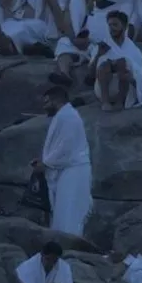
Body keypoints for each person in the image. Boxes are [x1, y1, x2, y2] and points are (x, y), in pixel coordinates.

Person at [33, 86, 92, 236]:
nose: (44, 107)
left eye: (47, 102)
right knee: (62, 210)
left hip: (75, 170)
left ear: (56, 100)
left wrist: (46, 163)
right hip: (66, 169)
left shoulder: (69, 117)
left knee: (70, 211)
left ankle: (70, 245)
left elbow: (67, 147)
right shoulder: (63, 116)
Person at [49, 0, 115, 90]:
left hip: (97, 43)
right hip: (79, 41)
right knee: (63, 43)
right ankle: (64, 74)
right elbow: (67, 23)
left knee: (101, 53)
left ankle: (91, 76)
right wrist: (74, 39)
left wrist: (90, 39)